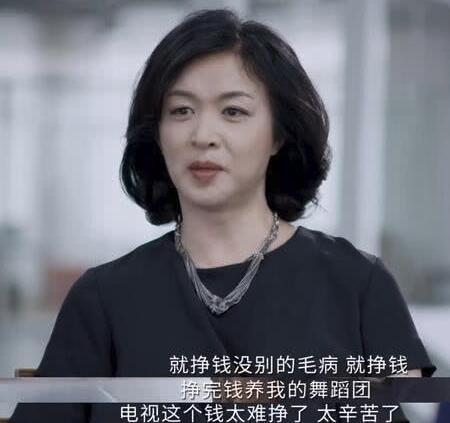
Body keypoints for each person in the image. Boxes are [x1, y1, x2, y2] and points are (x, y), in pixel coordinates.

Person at [10, 8, 435, 423]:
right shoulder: (104, 297)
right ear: (157, 133)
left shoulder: (357, 285)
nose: (203, 136)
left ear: (279, 134)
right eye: (181, 111)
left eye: (233, 112)